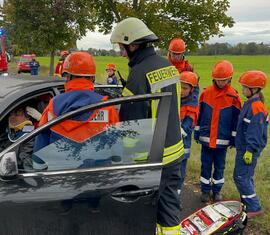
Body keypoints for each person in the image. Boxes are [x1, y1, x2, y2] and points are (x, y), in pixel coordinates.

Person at [110, 17, 184, 235]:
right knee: (169, 208)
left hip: (152, 158)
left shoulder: (138, 76)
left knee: (143, 211)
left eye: (122, 48)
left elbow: (131, 129)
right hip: (175, 151)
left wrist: (123, 159)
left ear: (133, 44)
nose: (121, 53)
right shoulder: (168, 66)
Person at [33, 51, 119, 152]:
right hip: (96, 166)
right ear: (92, 78)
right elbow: (115, 145)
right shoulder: (106, 107)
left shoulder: (53, 104)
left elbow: (41, 141)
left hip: (59, 165)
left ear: (68, 77)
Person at [194, 60, 242, 203]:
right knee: (206, 165)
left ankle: (217, 191)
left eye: (224, 80)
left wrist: (234, 138)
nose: (221, 83)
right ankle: (205, 190)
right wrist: (197, 132)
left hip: (223, 141)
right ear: (213, 78)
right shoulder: (206, 94)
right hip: (206, 140)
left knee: (220, 167)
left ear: (230, 78)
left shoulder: (234, 97)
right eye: (218, 80)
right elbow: (199, 115)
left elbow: (236, 121)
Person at [233, 71, 268, 219]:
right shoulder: (250, 104)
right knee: (245, 176)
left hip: (248, 150)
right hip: (244, 148)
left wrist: (250, 150)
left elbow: (255, 132)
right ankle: (246, 202)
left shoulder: (256, 108)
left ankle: (254, 207)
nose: (243, 90)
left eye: (245, 87)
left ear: (254, 89)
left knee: (241, 177)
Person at [178, 71, 199, 201]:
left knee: (180, 170)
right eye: (179, 86)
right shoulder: (176, 99)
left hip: (183, 141)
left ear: (192, 89)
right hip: (170, 141)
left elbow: (188, 122)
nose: (181, 90)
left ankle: (177, 195)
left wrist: (179, 130)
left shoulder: (192, 105)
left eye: (185, 88)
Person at [0, 105, 41, 171]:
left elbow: (26, 164)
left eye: (17, 114)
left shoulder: (32, 136)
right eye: (11, 114)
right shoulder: (6, 135)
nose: (12, 117)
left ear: (28, 117)